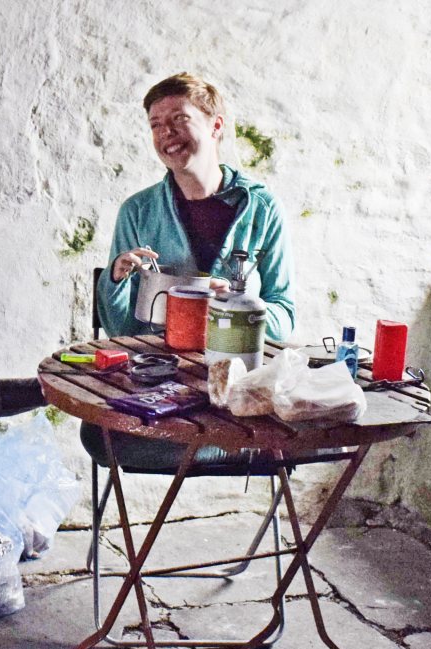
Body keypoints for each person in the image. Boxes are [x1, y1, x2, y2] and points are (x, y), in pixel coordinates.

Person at [86, 72, 296, 469]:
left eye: (179, 119)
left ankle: (221, 442)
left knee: (284, 426)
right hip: (162, 389)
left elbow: (284, 314)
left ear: (216, 126)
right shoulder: (138, 211)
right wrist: (116, 277)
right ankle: (219, 444)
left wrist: (239, 308)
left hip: (237, 394)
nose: (167, 133)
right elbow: (119, 330)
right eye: (155, 124)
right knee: (100, 435)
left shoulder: (262, 208)